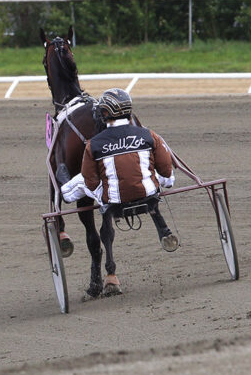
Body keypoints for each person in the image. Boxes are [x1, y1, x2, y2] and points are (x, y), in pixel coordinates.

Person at [59, 88, 179, 253]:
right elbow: (166, 171)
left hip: (114, 203)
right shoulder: (150, 135)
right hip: (150, 196)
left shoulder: (92, 145)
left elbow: (91, 182)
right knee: (163, 175)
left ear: (105, 113)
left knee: (76, 186)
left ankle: (65, 187)